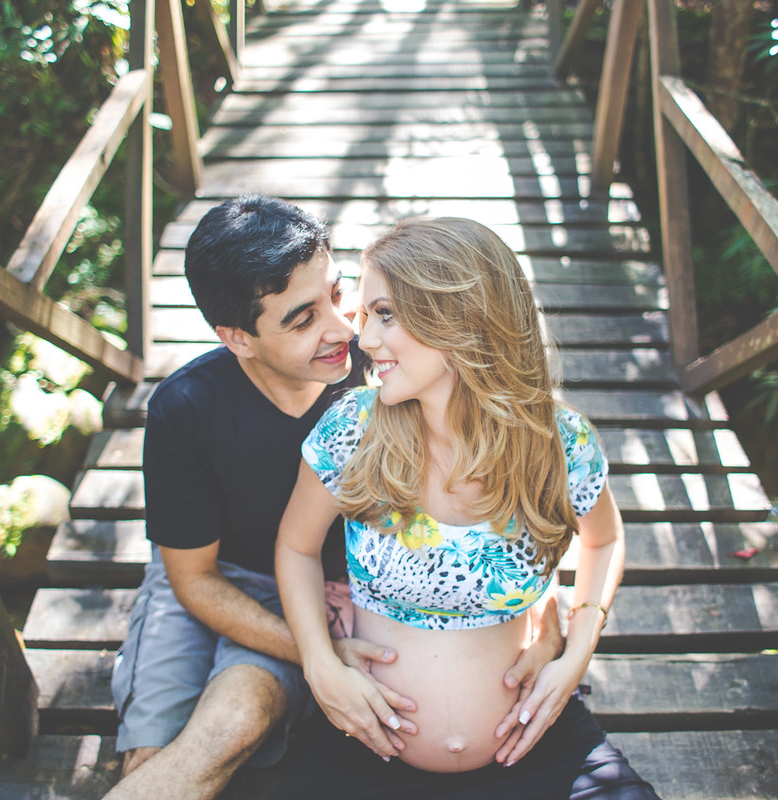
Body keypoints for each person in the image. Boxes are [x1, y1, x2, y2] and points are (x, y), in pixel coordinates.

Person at [105, 198, 562, 800]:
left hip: (330, 590)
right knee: (147, 760)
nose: (347, 330)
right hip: (215, 579)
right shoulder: (185, 408)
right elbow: (192, 578)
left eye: (337, 292)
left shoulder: (385, 372)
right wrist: (320, 655)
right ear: (237, 338)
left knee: (233, 723)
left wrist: (552, 619)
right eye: (302, 319)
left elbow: (505, 496)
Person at [273, 217, 659, 797]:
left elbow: (603, 540)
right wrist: (319, 663)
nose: (363, 340)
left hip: (534, 743)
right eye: (365, 316)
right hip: (367, 744)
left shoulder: (557, 442)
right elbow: (296, 548)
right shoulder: (353, 430)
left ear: (460, 320)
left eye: (385, 315)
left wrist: (576, 651)